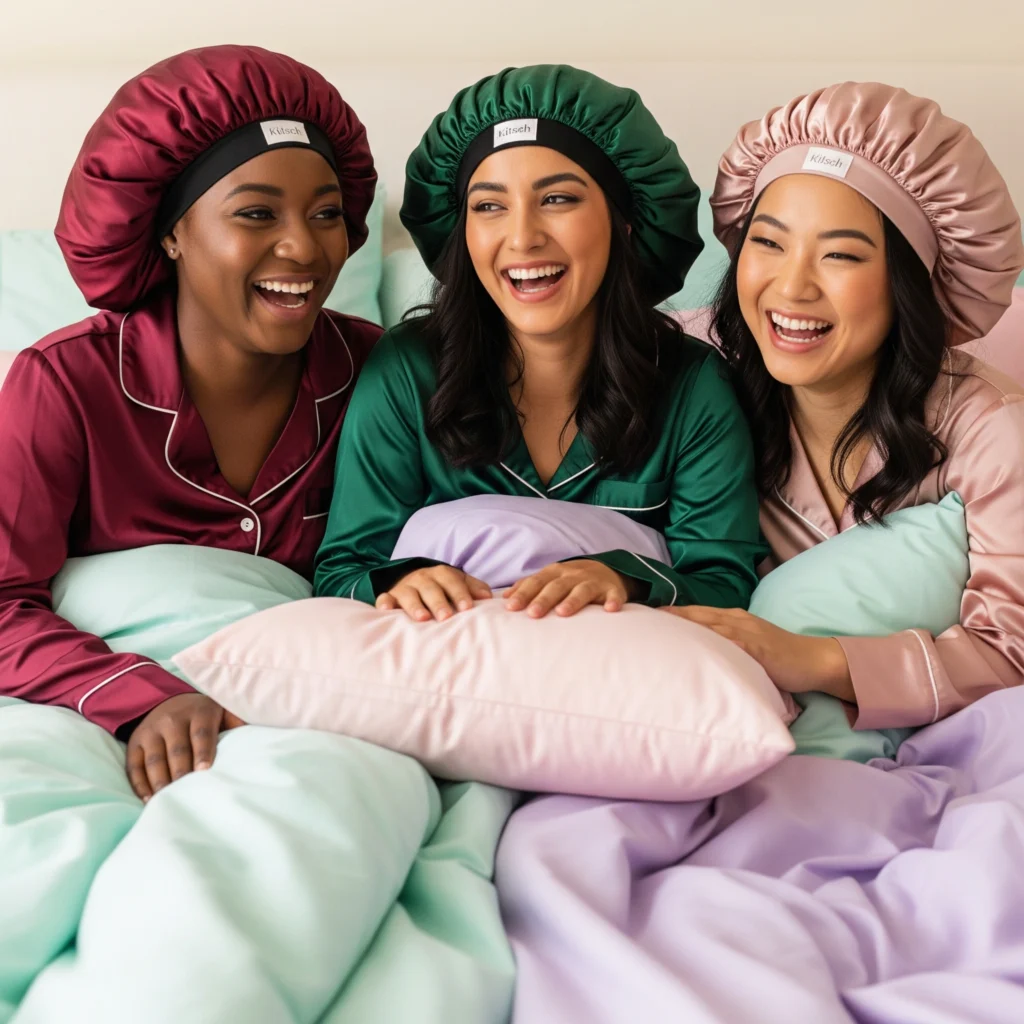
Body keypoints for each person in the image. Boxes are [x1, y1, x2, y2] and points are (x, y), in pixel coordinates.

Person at [0, 45, 380, 798]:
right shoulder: (65, 384)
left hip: (324, 728)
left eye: (326, 214)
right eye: (257, 213)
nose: (304, 247)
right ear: (170, 232)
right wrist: (140, 695)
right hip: (111, 718)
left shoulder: (382, 376)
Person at [314, 65, 767, 622]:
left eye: (557, 199)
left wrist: (625, 577)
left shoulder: (693, 385)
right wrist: (403, 580)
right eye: (488, 206)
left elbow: (724, 581)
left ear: (625, 222)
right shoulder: (407, 370)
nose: (523, 237)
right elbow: (343, 569)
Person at [666, 82, 1024, 730]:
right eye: (768, 243)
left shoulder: (993, 430)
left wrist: (816, 659)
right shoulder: (690, 379)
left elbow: (1013, 650)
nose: (792, 286)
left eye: (840, 255)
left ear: (910, 281)